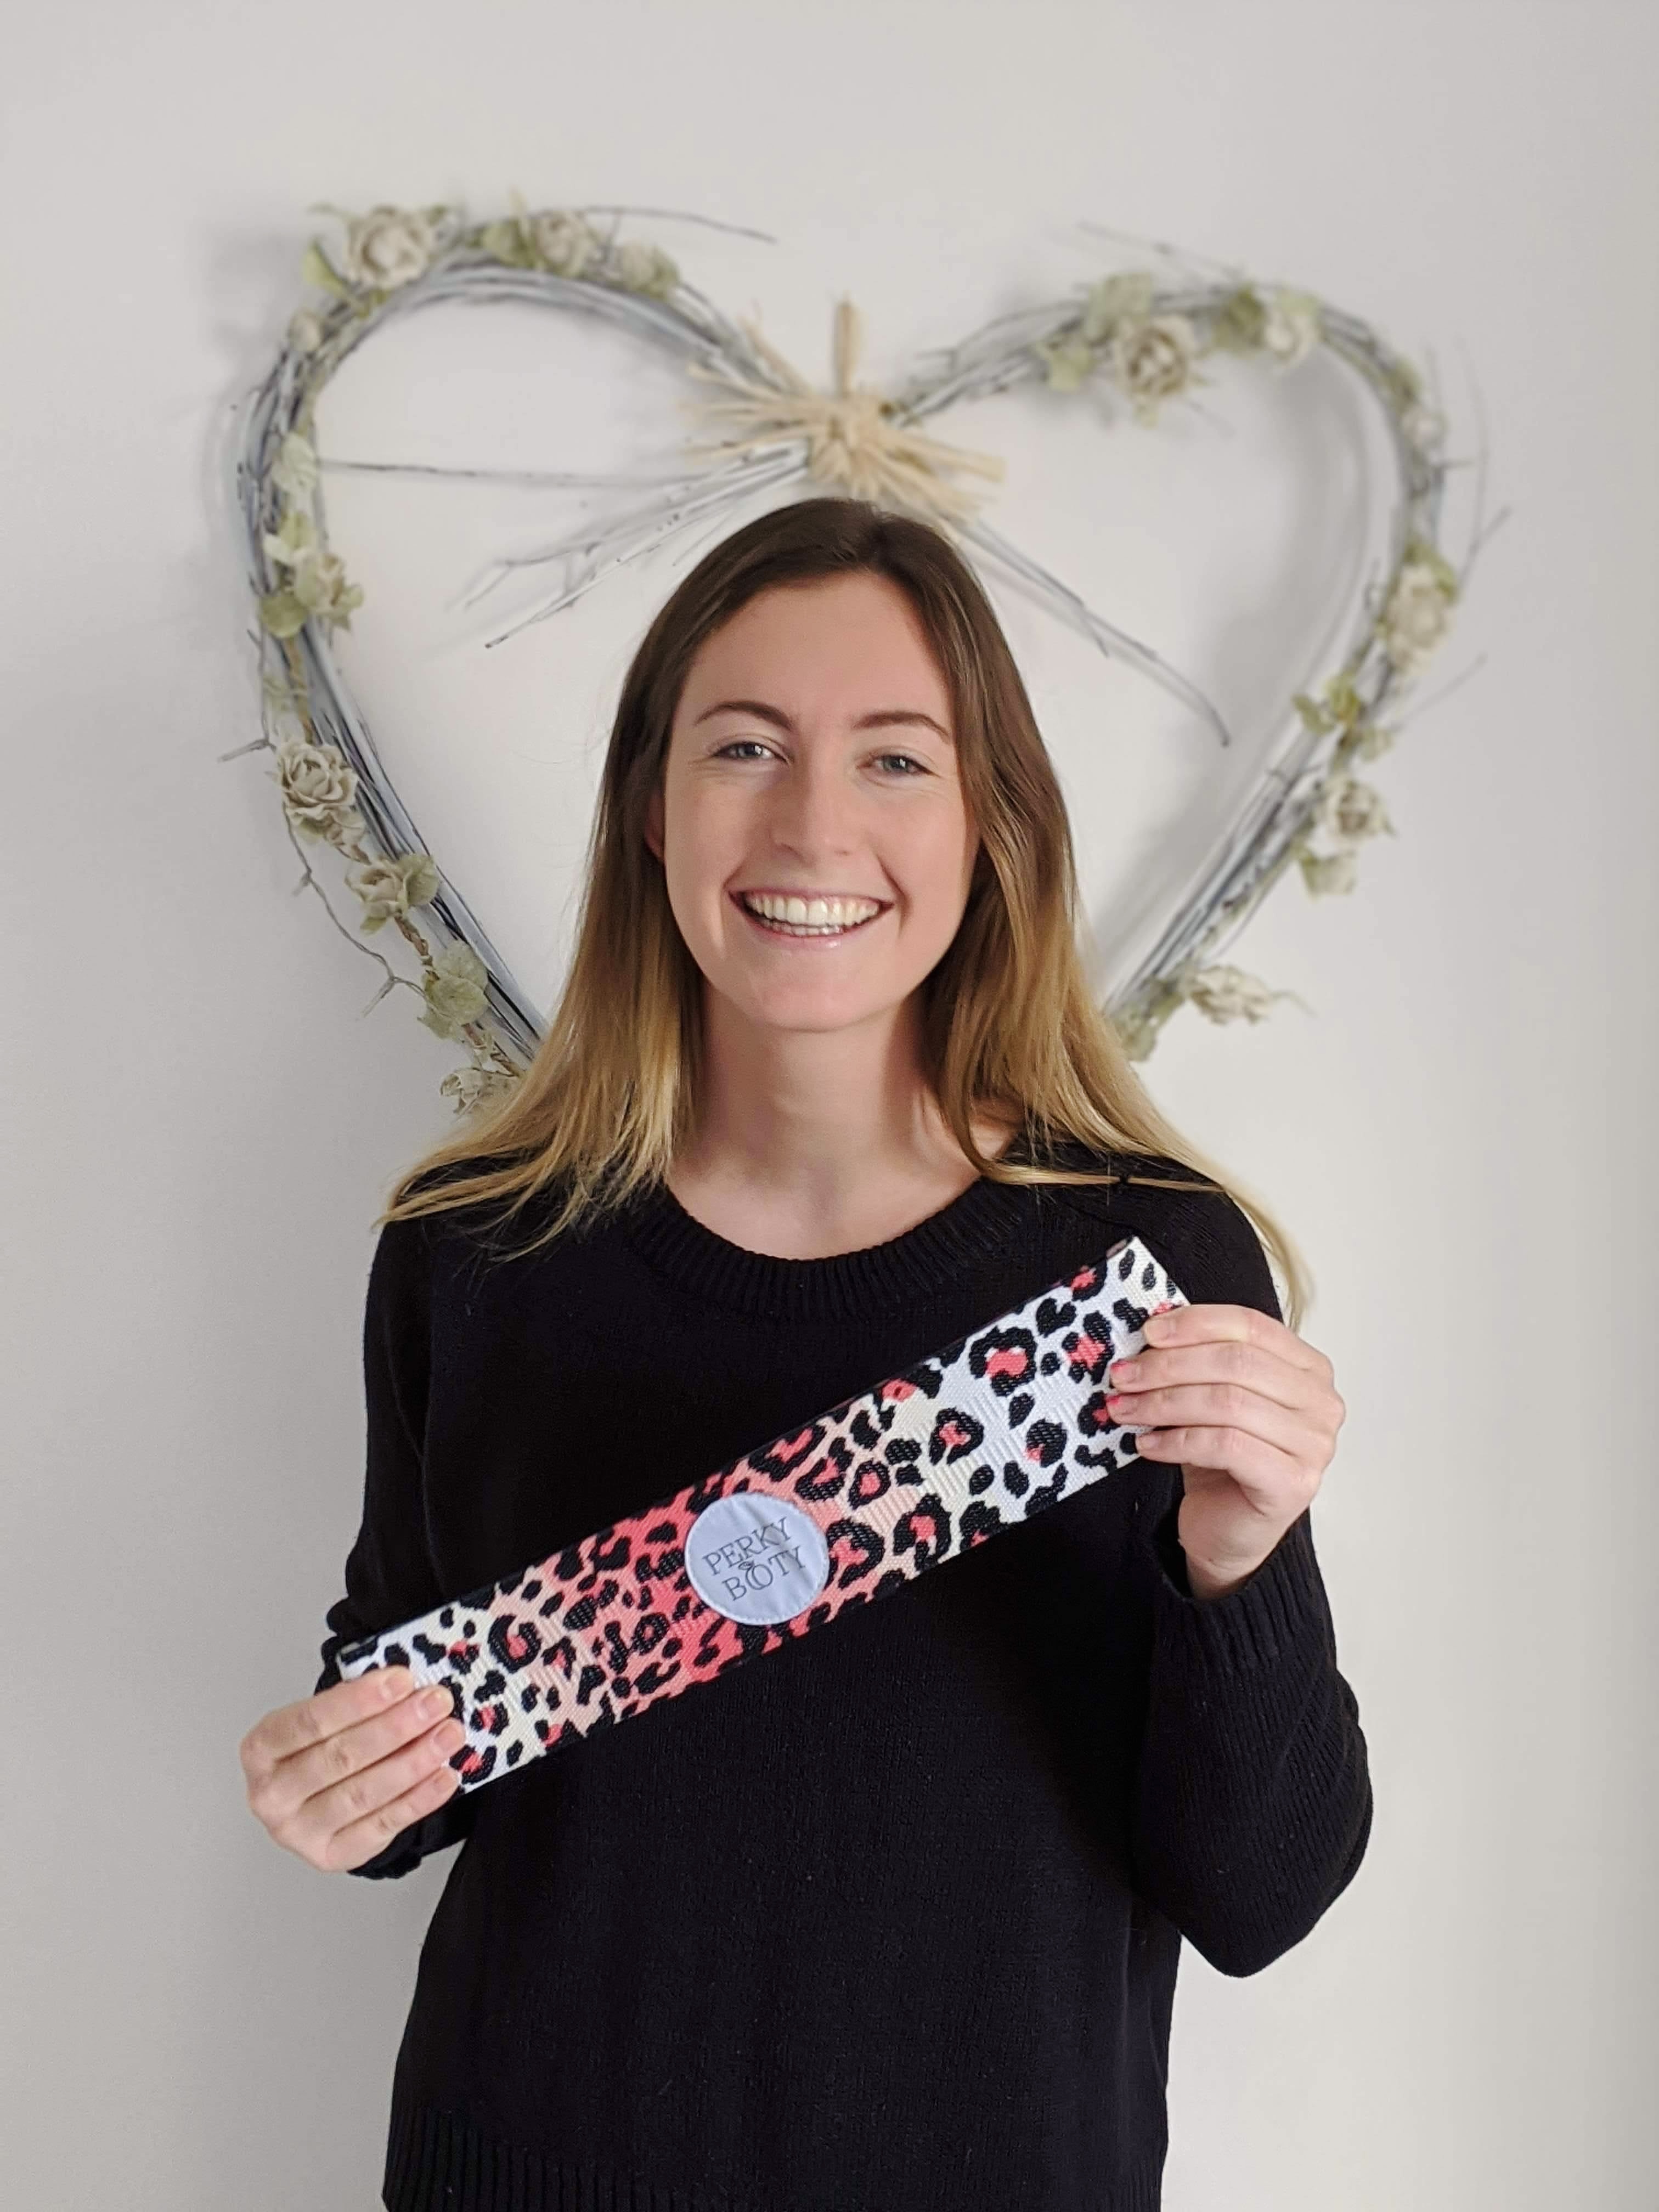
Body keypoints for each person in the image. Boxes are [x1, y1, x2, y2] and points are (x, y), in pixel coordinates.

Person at [241, 495, 1370, 2212]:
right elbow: (421, 1741)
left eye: (898, 760)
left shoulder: (1148, 1270)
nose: (814, 823)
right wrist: (345, 1774)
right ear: (650, 804)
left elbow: (1263, 1893)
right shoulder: (479, 1251)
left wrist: (1242, 1558)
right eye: (745, 746)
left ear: (995, 824)